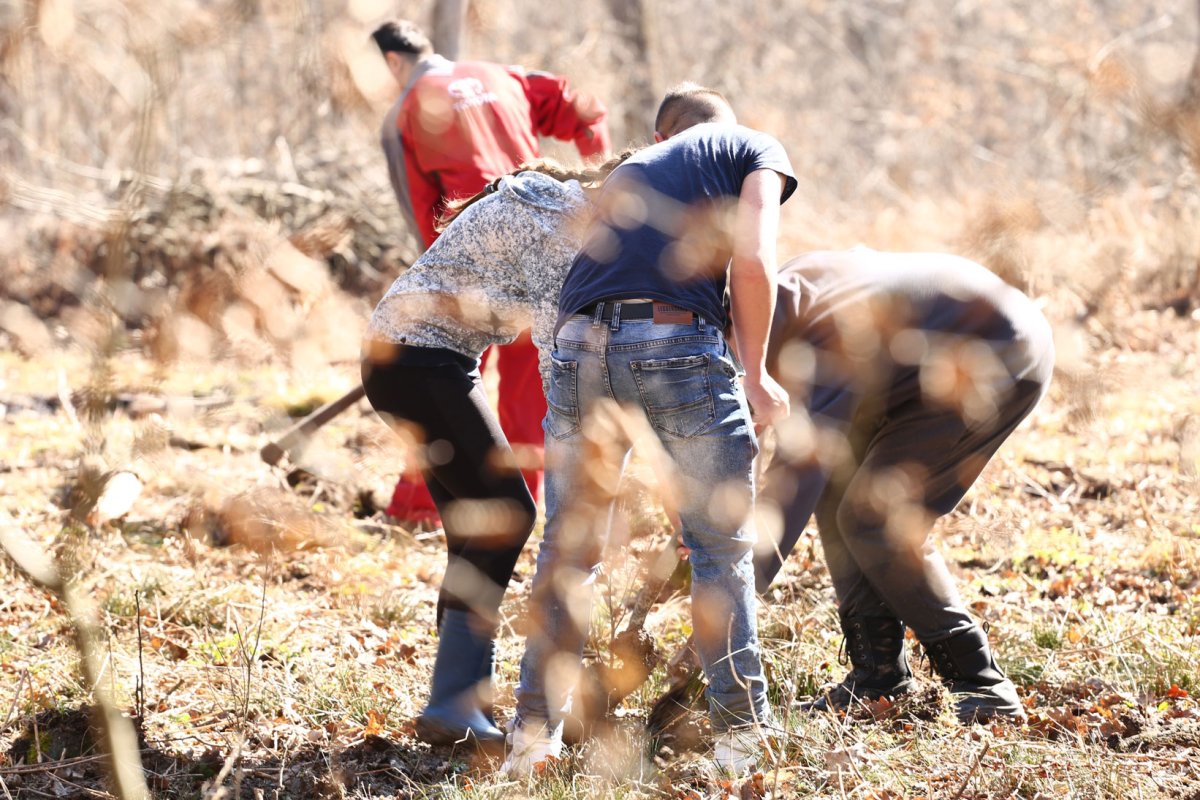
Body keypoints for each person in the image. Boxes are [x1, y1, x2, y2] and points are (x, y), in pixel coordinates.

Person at [504, 83, 797, 776]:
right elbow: (754, 257)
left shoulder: (628, 172)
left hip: (576, 350)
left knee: (569, 550)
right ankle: (740, 743)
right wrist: (755, 373)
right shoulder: (752, 146)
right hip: (672, 344)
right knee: (720, 546)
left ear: (663, 132)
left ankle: (530, 740)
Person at [361, 154, 627, 747]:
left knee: (477, 524)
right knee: (509, 513)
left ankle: (453, 702)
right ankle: (453, 703)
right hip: (419, 359)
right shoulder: (564, 229)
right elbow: (559, 351)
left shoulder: (557, 202)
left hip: (419, 356)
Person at [748, 248, 1055, 724]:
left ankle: (981, 682)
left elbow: (793, 479)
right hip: (919, 369)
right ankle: (879, 676)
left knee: (872, 516)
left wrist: (732, 595)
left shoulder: (815, 333)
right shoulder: (771, 301)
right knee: (838, 492)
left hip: (993, 353)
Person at [371, 19, 612, 525]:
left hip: (477, 259)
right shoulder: (504, 75)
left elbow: (425, 215)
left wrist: (437, 276)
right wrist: (599, 181)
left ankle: (420, 508)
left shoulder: (404, 113)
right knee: (527, 392)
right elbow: (587, 108)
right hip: (549, 244)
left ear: (393, 63)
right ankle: (516, 501)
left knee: (445, 381)